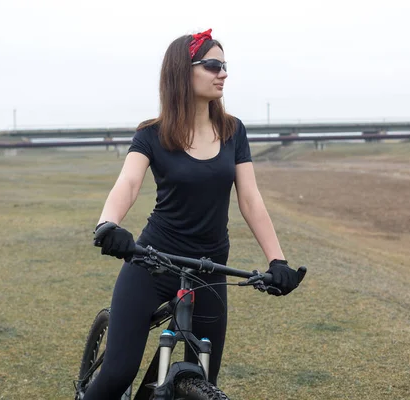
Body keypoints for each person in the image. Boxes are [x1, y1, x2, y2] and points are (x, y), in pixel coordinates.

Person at [87, 28, 301, 399]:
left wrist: (277, 259)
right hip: (152, 262)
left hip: (210, 269)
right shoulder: (152, 135)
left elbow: (250, 199)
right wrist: (109, 223)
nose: (223, 73)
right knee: (117, 374)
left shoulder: (233, 131)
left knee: (204, 382)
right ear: (182, 73)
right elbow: (129, 183)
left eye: (224, 65)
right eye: (213, 65)